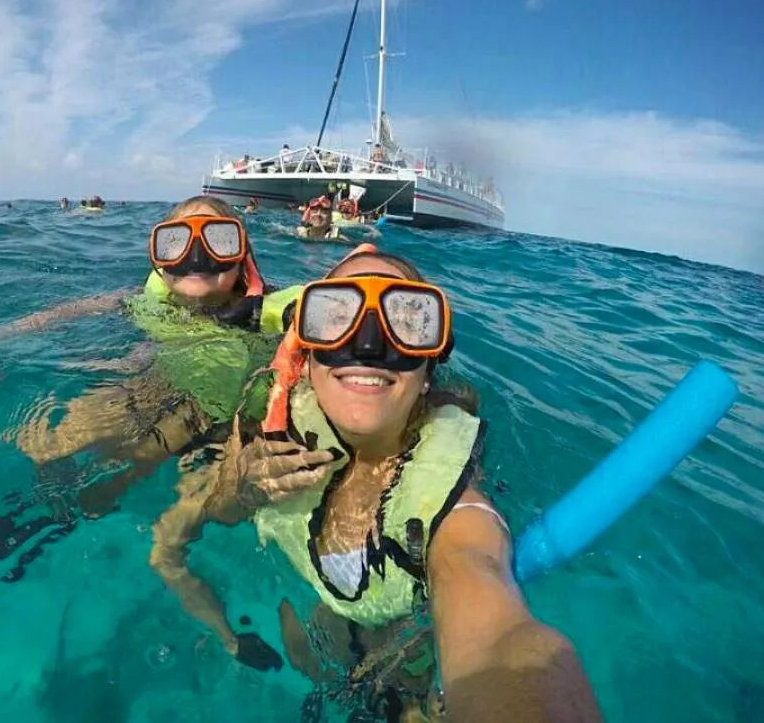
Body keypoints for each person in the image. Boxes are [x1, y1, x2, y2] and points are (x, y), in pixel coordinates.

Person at [149, 245, 602, 722]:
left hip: (402, 671)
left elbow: (491, 615)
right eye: (335, 315)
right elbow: (193, 523)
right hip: (303, 649)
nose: (367, 346)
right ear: (304, 357)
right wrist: (242, 488)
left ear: (428, 368)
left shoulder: (454, 506)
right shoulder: (266, 429)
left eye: (407, 320)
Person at [0, 197, 303, 577]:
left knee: (173, 523)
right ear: (159, 263)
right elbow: (71, 311)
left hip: (235, 424)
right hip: (160, 387)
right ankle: (46, 512)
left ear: (243, 257)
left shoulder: (277, 315)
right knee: (54, 443)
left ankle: (65, 518)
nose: (197, 256)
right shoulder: (142, 300)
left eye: (219, 240)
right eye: (176, 243)